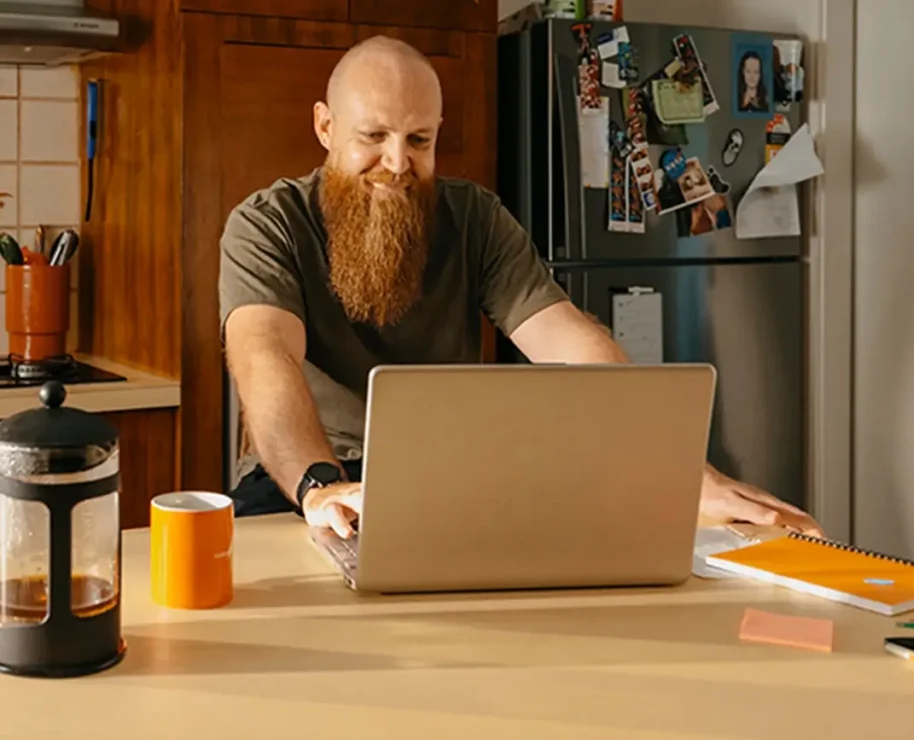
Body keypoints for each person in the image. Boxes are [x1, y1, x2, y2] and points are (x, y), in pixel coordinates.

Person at [218, 35, 823, 542]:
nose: (398, 163)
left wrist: (677, 468)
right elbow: (264, 358)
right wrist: (320, 487)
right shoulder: (267, 223)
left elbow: (572, 342)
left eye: (419, 140)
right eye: (373, 137)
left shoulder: (474, 217)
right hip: (299, 483)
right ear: (325, 126)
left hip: (446, 481)